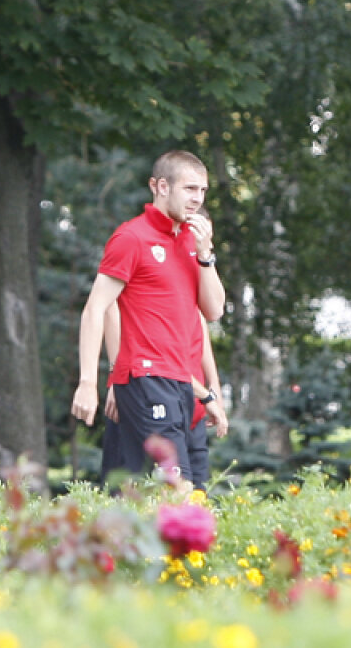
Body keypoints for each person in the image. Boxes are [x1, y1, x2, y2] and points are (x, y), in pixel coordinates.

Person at [71, 151, 226, 483]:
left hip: (184, 383)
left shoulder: (192, 241)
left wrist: (205, 254)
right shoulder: (132, 238)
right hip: (147, 379)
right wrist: (88, 382)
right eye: (189, 189)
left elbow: (212, 312)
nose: (197, 199)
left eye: (202, 191)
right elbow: (96, 308)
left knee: (192, 499)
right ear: (159, 186)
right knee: (177, 489)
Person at [100, 301, 229, 489]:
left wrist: (214, 384)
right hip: (149, 399)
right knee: (141, 496)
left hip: (191, 406)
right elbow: (110, 307)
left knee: (198, 498)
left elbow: (199, 320)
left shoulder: (193, 278)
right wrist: (117, 374)